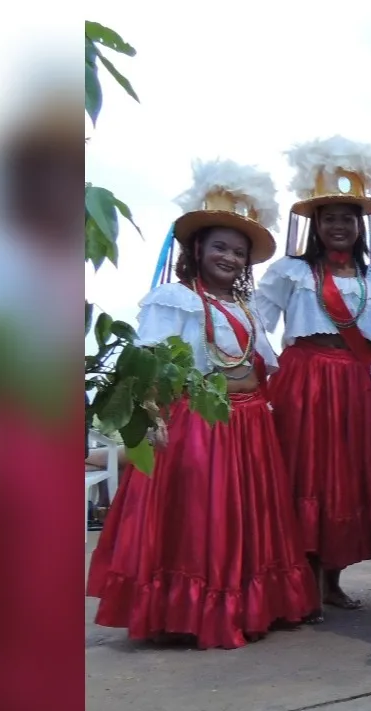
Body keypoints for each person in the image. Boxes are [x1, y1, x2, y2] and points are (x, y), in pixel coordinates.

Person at [86, 160, 317, 649]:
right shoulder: (174, 299)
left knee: (245, 519)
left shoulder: (245, 308)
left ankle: (251, 603)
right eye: (220, 248)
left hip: (252, 425)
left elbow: (260, 366)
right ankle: (198, 609)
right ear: (197, 249)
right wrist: (150, 416)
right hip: (200, 423)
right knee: (203, 518)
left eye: (238, 252)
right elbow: (148, 365)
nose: (230, 259)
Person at [254, 136, 371, 617]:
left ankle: (332, 580)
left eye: (347, 217)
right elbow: (256, 321)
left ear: (360, 226)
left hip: (358, 385)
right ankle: (304, 582)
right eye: (329, 217)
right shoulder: (290, 271)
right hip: (305, 381)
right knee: (306, 478)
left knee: (346, 480)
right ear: (315, 224)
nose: (338, 225)